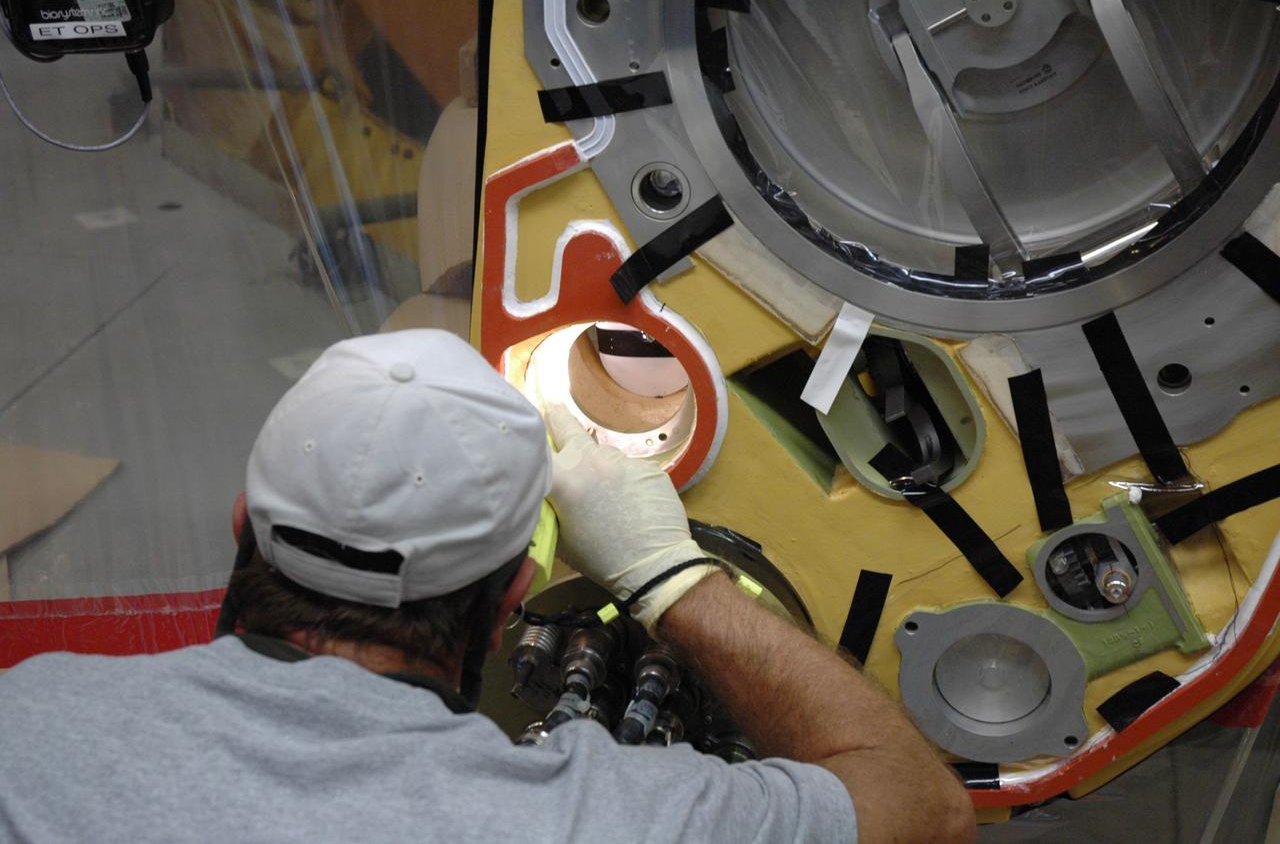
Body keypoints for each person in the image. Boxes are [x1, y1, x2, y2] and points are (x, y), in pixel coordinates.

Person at [0, 329, 974, 843]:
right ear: (515, 590)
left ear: (240, 522)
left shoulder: (30, 720)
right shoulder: (599, 818)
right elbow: (921, 806)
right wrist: (669, 576)